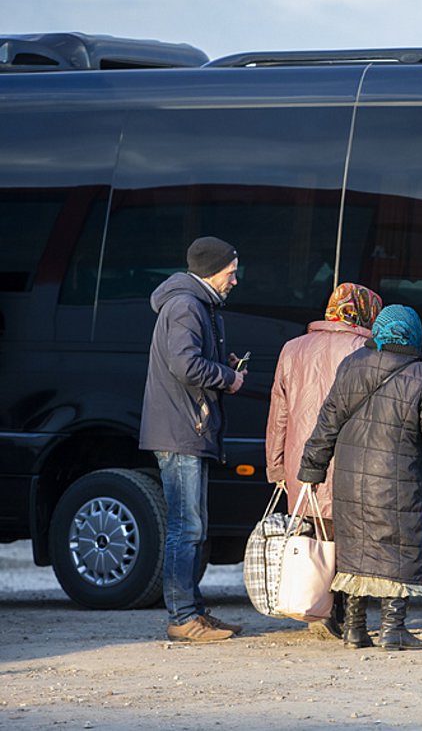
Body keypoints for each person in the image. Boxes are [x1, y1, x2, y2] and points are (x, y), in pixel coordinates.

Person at [298, 305, 422, 651]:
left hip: (351, 481)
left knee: (356, 553)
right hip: (398, 481)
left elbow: (327, 423)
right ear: (413, 335)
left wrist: (312, 468)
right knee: (399, 551)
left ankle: (355, 629)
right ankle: (394, 629)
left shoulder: (351, 365)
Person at [140, 236, 245, 643]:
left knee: (194, 527)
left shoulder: (194, 304)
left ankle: (193, 610)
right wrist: (229, 377)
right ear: (211, 271)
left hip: (187, 427)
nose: (235, 280)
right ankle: (183, 617)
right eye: (231, 272)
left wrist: (222, 364)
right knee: (187, 527)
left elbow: (187, 360)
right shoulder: (187, 305)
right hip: (182, 429)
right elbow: (185, 365)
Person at [265, 282, 383, 641]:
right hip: (350, 461)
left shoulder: (292, 349)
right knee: (350, 540)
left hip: (303, 463)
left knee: (314, 536)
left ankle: (318, 604)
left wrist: (275, 465)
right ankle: (346, 613)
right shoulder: (366, 348)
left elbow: (279, 414)